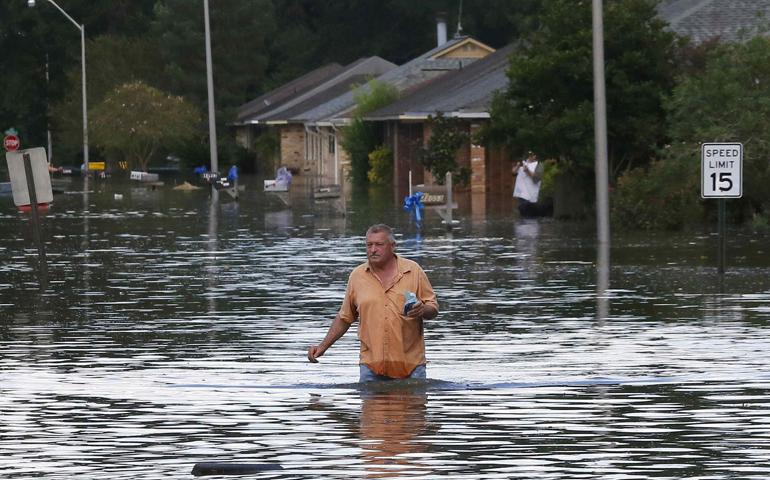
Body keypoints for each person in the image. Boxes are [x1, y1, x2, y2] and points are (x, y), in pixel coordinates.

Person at [308, 224, 439, 382]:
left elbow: (433, 308)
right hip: (371, 366)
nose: (373, 250)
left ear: (392, 246)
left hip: (411, 366)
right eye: (369, 245)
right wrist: (322, 347)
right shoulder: (357, 277)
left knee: (412, 405)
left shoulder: (413, 271)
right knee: (372, 406)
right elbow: (345, 318)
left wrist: (423, 310)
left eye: (379, 244)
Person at [511, 152, 544, 217]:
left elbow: (537, 178)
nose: (530, 156)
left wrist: (528, 171)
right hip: (521, 194)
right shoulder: (522, 163)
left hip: (530, 195)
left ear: (535, 156)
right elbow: (513, 173)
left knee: (529, 214)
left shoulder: (538, 165)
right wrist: (517, 166)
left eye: (532, 155)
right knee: (523, 212)